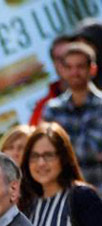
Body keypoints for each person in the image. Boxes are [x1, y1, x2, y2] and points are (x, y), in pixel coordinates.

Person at [42, 41, 102, 190]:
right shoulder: (52, 108)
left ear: (92, 69)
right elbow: (45, 152)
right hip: (63, 193)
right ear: (61, 70)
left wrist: (62, 152)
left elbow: (91, 148)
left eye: (80, 66)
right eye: (69, 67)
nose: (74, 72)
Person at [30, 35, 79, 126]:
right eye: (59, 59)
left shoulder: (98, 92)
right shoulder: (42, 109)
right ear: (54, 64)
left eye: (69, 56)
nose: (65, 63)